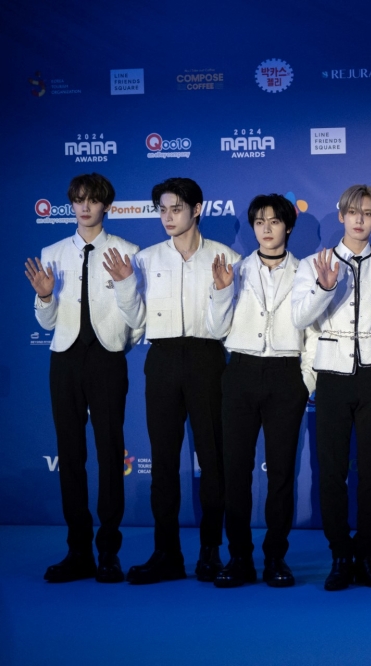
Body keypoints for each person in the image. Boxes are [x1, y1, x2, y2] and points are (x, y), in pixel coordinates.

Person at [118, 177, 241, 584]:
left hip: (209, 360)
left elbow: (226, 327)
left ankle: (210, 552)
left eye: (176, 209)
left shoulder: (227, 258)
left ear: (197, 209)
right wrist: (122, 287)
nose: (168, 217)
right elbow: (135, 324)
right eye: (163, 210)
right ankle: (165, 553)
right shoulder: (146, 259)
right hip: (163, 359)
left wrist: (223, 292)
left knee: (213, 462)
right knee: (164, 464)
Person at [26, 173, 144, 583]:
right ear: (71, 204)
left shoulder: (128, 252)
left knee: (111, 453)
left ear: (105, 205)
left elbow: (138, 320)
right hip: (65, 360)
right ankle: (78, 551)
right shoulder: (52, 252)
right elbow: (46, 321)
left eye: (92, 200)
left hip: (109, 358)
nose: (85, 207)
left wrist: (127, 289)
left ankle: (108, 552)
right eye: (78, 199)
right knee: (70, 455)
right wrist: (44, 296)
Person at [291, 184, 371, 591]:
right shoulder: (312, 263)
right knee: (332, 471)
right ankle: (340, 553)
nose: (360, 219)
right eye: (353, 212)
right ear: (340, 215)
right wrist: (325, 287)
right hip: (332, 376)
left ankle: (367, 553)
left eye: (369, 213)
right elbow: (300, 319)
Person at [205, 194, 319, 588]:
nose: (266, 229)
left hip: (287, 375)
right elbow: (217, 329)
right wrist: (221, 291)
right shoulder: (233, 270)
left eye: (273, 221)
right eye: (258, 222)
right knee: (235, 472)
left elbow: (315, 334)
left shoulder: (307, 272)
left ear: (288, 226)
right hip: (241, 372)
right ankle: (239, 557)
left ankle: (275, 558)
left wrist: (305, 381)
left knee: (282, 474)